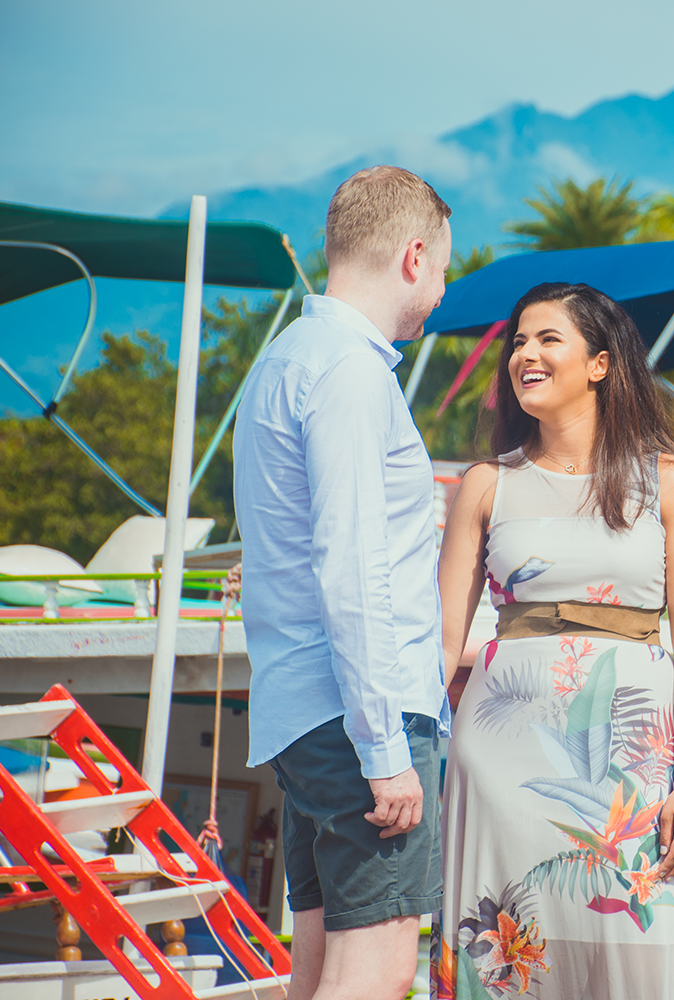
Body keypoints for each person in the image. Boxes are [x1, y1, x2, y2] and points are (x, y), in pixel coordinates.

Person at [433, 283, 674, 999]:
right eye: (518, 342)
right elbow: (439, 646)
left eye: (547, 339)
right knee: (508, 954)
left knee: (636, 942)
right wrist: (400, 762)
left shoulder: (671, 484)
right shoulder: (483, 484)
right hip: (498, 763)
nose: (524, 354)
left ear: (600, 363)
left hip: (633, 763)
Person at [233, 165, 452, 1000]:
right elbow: (353, 568)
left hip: (303, 714)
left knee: (319, 962)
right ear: (411, 256)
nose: (438, 291)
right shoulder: (353, 374)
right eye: (439, 270)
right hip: (362, 713)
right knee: (381, 966)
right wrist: (385, 749)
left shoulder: (286, 359)